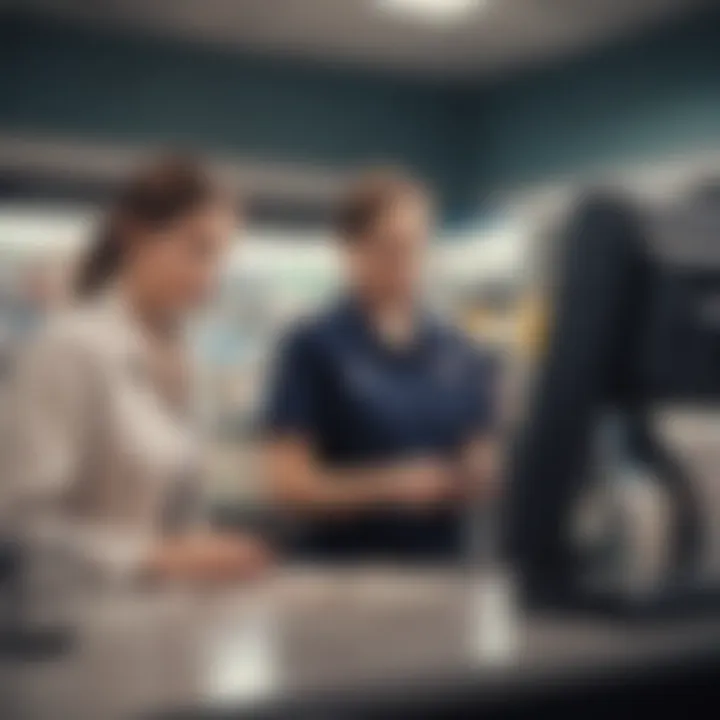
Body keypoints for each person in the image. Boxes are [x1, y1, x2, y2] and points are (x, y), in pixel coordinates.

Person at [4, 155, 269, 586]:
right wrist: (150, 559)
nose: (210, 278)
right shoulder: (69, 349)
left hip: (165, 630)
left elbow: (180, 524)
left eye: (220, 258)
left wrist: (210, 553)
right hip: (67, 633)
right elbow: (19, 531)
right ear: (135, 235)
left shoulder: (187, 363)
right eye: (198, 250)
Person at [264, 169, 498, 560]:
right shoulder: (314, 347)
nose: (404, 263)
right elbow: (289, 486)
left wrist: (478, 474)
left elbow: (478, 450)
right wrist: (392, 486)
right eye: (388, 247)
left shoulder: (457, 351)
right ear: (351, 249)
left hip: (440, 573)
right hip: (342, 577)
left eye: (415, 247)